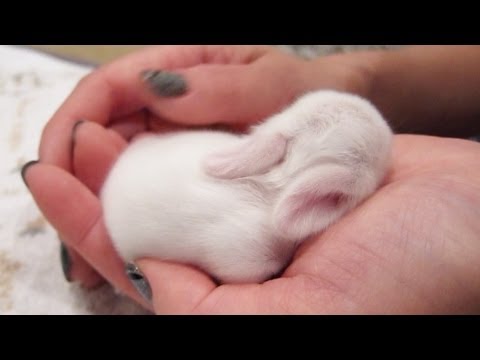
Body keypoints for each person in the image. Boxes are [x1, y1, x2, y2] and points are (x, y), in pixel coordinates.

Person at [21, 45, 480, 314]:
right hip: (141, 185)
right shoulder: (257, 252)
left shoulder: (250, 194)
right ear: (324, 197)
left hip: (144, 174)